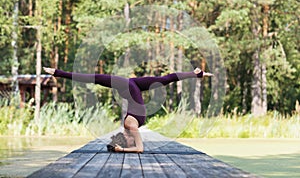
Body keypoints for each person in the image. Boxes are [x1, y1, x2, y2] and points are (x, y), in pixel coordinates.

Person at [43, 67, 213, 153]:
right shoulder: (131, 126)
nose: (129, 140)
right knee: (162, 80)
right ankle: (195, 73)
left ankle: (196, 73)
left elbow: (137, 148)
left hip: (129, 86)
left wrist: (119, 148)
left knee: (162, 80)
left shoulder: (130, 125)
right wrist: (121, 150)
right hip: (130, 86)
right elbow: (140, 149)